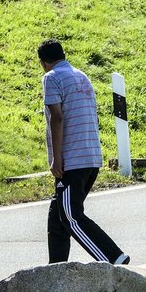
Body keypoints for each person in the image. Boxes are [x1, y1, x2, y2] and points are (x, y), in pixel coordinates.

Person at [38, 39, 129, 265]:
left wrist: (57, 158)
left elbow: (57, 118)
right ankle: (56, 268)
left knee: (71, 217)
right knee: (58, 216)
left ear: (43, 62)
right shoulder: (81, 75)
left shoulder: (52, 78)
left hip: (72, 159)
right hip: (90, 156)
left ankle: (113, 259)